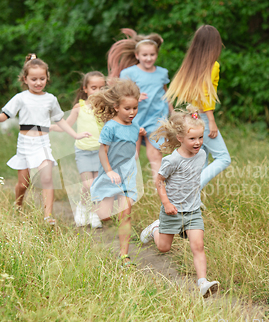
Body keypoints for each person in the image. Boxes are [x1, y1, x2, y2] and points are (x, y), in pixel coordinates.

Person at [0, 53, 91, 225]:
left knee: (47, 178)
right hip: (25, 144)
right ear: (25, 79)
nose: (38, 82)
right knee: (23, 183)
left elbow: (60, 121)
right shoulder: (21, 98)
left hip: (43, 143)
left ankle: (48, 216)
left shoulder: (51, 99)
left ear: (47, 78)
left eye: (42, 79)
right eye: (34, 79)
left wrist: (75, 135)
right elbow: (4, 116)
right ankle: (18, 205)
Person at [140, 109, 220, 297]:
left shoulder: (201, 155)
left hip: (193, 211)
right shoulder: (172, 160)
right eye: (192, 139)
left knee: (198, 246)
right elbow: (159, 181)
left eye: (200, 137)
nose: (198, 142)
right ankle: (155, 229)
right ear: (180, 138)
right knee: (164, 248)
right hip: (172, 211)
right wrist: (166, 203)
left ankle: (202, 283)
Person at [165, 25, 231, 189]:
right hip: (203, 117)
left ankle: (193, 200)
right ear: (214, 44)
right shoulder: (212, 65)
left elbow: (192, 95)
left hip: (194, 115)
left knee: (202, 157)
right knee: (223, 158)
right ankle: (192, 188)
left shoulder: (193, 65)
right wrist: (211, 119)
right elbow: (206, 94)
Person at [89, 79, 145, 265]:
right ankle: (94, 208)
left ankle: (124, 255)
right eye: (127, 109)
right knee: (104, 214)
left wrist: (136, 150)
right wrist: (110, 172)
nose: (132, 113)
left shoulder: (135, 126)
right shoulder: (110, 127)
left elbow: (133, 141)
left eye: (135, 108)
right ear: (116, 107)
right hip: (110, 173)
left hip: (128, 175)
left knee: (125, 214)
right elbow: (102, 151)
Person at [108, 28, 171, 183]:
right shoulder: (129, 73)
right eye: (145, 55)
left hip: (156, 119)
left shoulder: (162, 73)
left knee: (156, 155)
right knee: (132, 155)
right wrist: (135, 96)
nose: (148, 58)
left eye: (152, 55)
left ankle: (160, 189)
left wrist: (173, 112)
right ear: (137, 56)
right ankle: (125, 186)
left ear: (156, 55)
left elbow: (166, 94)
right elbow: (120, 95)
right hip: (133, 119)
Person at [50, 71, 106, 228]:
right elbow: (66, 125)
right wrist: (51, 127)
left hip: (101, 152)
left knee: (94, 185)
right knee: (88, 184)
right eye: (94, 87)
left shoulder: (106, 108)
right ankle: (82, 208)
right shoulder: (79, 107)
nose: (98, 91)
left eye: (102, 88)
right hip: (84, 152)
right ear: (86, 89)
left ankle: (93, 212)